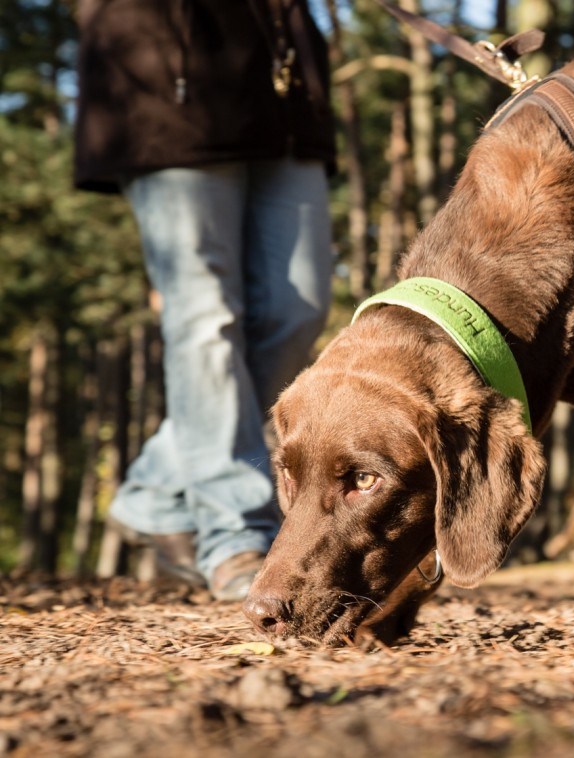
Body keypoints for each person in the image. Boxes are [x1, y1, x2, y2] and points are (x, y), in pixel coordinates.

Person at [74, 0, 337, 600]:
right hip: (167, 78)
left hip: (284, 94)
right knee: (205, 317)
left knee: (297, 308)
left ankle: (155, 489)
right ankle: (235, 532)